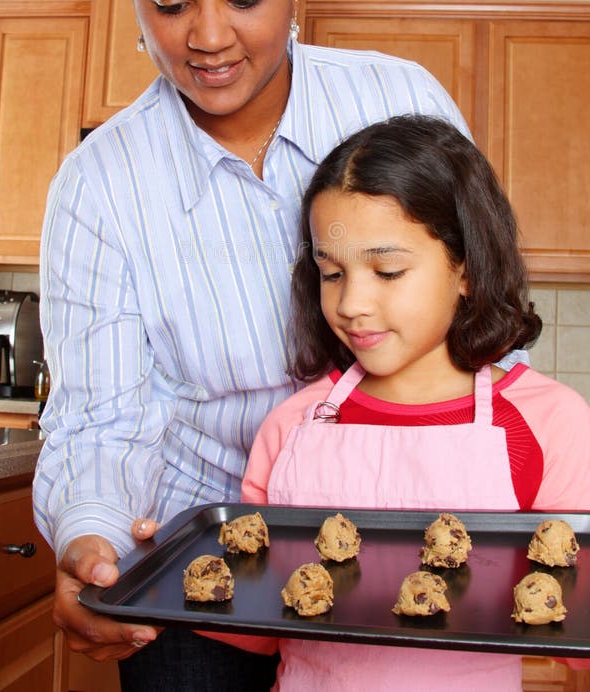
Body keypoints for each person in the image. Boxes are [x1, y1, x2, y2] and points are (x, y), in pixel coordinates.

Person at [33, 0, 489, 692]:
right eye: (168, 4)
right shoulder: (98, 188)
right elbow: (104, 422)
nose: (207, 37)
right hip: (198, 561)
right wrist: (89, 540)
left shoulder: (398, 98)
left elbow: (478, 314)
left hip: (391, 546)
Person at [241, 115, 590, 691]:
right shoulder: (293, 425)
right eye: (331, 274)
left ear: (468, 270)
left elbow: (577, 632)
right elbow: (251, 619)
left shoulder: (550, 425)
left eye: (388, 270)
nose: (352, 303)